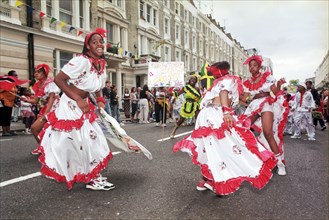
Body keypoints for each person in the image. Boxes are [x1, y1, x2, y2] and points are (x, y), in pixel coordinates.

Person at [173, 61, 276, 195]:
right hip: (216, 113)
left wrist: (246, 103)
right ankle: (213, 179)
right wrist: (227, 112)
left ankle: (205, 180)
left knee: (211, 147)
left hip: (206, 114)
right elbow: (223, 93)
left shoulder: (215, 83)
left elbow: (232, 98)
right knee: (229, 145)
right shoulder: (228, 79)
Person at [37, 28, 114, 190]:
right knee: (82, 142)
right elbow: (59, 79)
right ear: (88, 47)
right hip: (71, 105)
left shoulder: (101, 64)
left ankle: (91, 175)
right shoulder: (81, 61)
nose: (99, 44)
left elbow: (98, 85)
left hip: (83, 105)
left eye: (101, 41)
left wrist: (100, 100)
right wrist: (78, 99)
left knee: (94, 139)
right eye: (95, 42)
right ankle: (91, 178)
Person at [240, 55, 287, 176]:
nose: (252, 68)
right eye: (250, 66)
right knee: (242, 130)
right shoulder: (247, 82)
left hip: (266, 103)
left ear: (259, 66)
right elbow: (244, 98)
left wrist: (279, 84)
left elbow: (274, 91)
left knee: (268, 133)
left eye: (254, 65)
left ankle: (280, 163)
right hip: (254, 105)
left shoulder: (267, 77)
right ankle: (251, 159)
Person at [20, 64, 61, 155]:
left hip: (55, 109)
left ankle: (44, 148)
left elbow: (52, 98)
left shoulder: (51, 82)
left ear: (45, 73)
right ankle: (44, 148)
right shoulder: (38, 85)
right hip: (47, 108)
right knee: (41, 129)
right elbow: (36, 100)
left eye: (39, 72)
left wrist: (46, 113)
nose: (36, 74)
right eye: (35, 72)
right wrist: (26, 99)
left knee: (35, 128)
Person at [0, 71, 19, 136]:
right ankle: (4, 132)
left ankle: (8, 130)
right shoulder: (5, 83)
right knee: (4, 117)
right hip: (4, 102)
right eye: (15, 75)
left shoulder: (13, 84)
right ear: (11, 76)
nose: (17, 76)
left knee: (8, 117)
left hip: (10, 103)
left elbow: (13, 93)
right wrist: (5, 88)